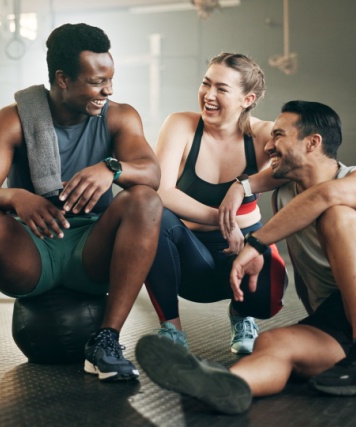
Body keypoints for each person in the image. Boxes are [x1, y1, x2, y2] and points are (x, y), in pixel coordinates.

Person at [0, 23, 163, 400]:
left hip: (92, 249)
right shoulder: (13, 119)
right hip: (33, 251)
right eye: (96, 81)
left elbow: (151, 173)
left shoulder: (120, 117)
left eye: (110, 79)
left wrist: (112, 168)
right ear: (62, 79)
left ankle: (106, 342)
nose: (108, 90)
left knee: (145, 200)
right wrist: (15, 197)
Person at [135, 100, 356, 414]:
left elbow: (325, 195)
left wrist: (256, 243)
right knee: (272, 345)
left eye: (278, 136)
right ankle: (226, 384)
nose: (268, 144)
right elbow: (306, 275)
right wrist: (241, 185)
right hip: (338, 318)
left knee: (336, 217)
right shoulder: (286, 196)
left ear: (312, 142)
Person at [143, 53, 288, 354]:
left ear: (247, 99)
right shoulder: (180, 125)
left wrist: (242, 186)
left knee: (268, 293)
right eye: (206, 84)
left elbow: (294, 167)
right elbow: (163, 192)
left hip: (243, 252)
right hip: (188, 258)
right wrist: (223, 220)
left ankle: (242, 315)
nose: (208, 95)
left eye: (221, 89)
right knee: (152, 216)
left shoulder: (263, 133)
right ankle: (172, 331)